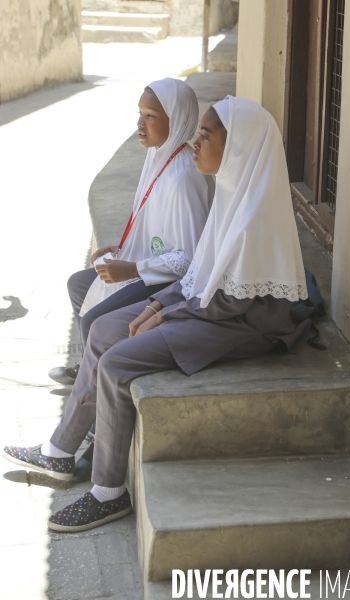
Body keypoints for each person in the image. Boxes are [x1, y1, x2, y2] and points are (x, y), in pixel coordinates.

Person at [2, 96, 310, 533]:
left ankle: (108, 493)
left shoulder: (255, 214)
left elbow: (231, 303)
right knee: (106, 327)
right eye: (198, 132)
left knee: (118, 361)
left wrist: (165, 315)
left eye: (207, 134)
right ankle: (63, 450)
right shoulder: (230, 192)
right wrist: (157, 304)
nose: (195, 143)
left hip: (243, 324)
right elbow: (201, 274)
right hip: (212, 307)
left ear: (239, 145)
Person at [47, 78, 214, 481]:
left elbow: (189, 259)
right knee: (79, 284)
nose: (140, 125)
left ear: (176, 121)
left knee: (94, 321)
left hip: (166, 284)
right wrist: (119, 252)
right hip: (147, 267)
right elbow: (150, 229)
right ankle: (90, 373)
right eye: (139, 115)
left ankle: (90, 426)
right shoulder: (158, 157)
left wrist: (133, 269)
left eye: (150, 116)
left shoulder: (183, 178)